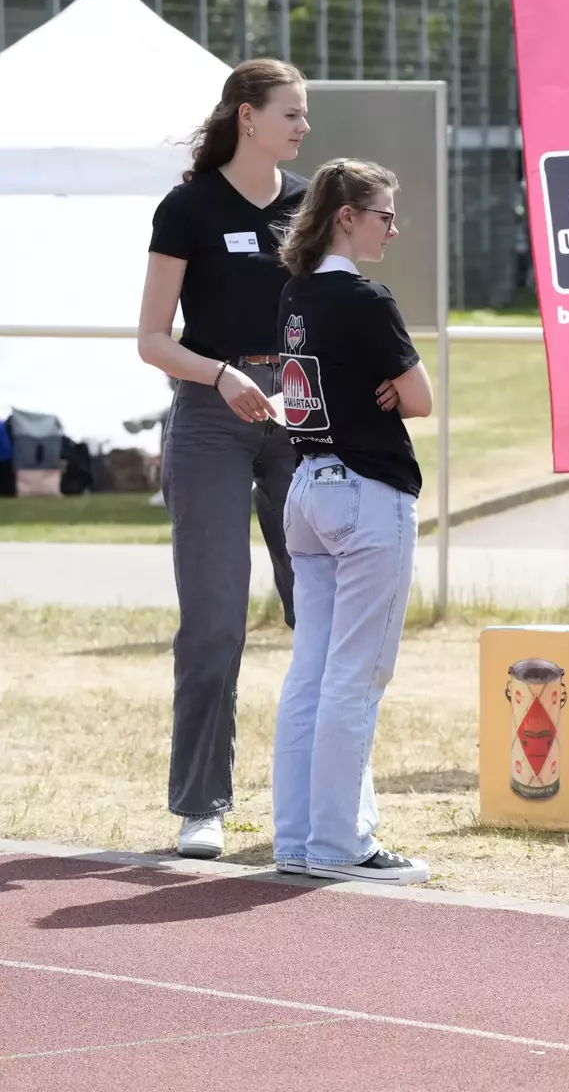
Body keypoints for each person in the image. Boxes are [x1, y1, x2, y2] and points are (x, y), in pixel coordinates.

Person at [137, 58, 310, 860]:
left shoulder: (310, 206)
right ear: (247, 116)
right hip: (210, 416)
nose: (303, 128)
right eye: (291, 113)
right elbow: (151, 341)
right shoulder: (187, 208)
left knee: (317, 614)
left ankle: (325, 800)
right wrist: (221, 375)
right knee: (213, 623)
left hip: (301, 417)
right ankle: (201, 803)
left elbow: (336, 309)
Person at [271, 158, 434, 883]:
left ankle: (299, 837)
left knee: (312, 672)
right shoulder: (367, 298)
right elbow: (421, 397)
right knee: (355, 675)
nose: (392, 230)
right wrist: (392, 393)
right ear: (347, 216)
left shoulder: (296, 293)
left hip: (306, 485)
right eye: (384, 217)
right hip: (365, 489)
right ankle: (342, 844)